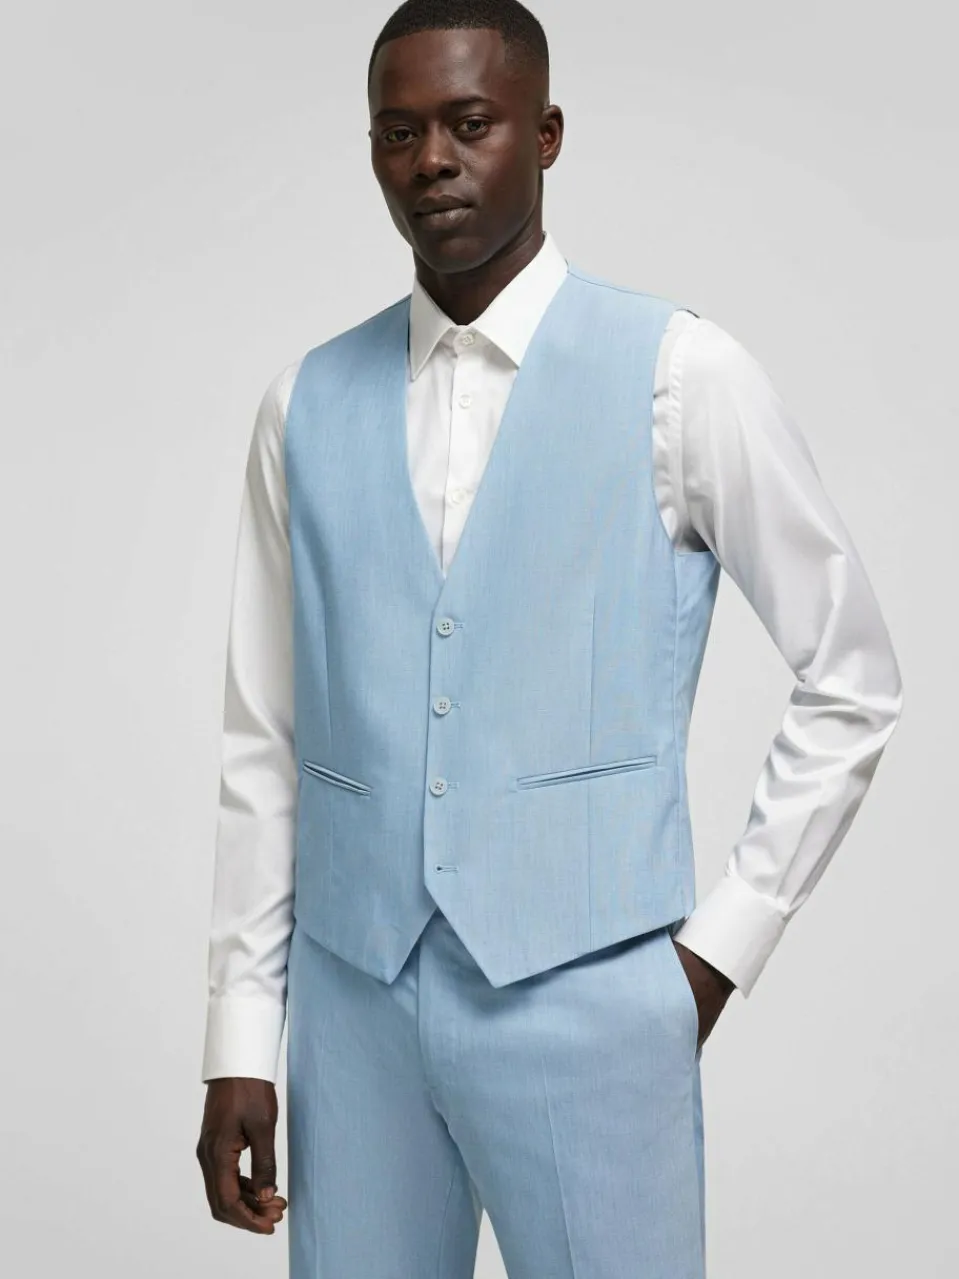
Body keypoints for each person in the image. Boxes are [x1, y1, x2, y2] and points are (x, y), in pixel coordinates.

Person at [195, 2, 904, 1275]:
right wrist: (241, 1032)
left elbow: (850, 676)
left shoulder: (678, 375)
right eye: (399, 132)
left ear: (545, 134)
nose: (432, 160)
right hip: (351, 1009)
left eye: (469, 123)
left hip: (590, 1002)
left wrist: (713, 954)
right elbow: (267, 737)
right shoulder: (300, 403)